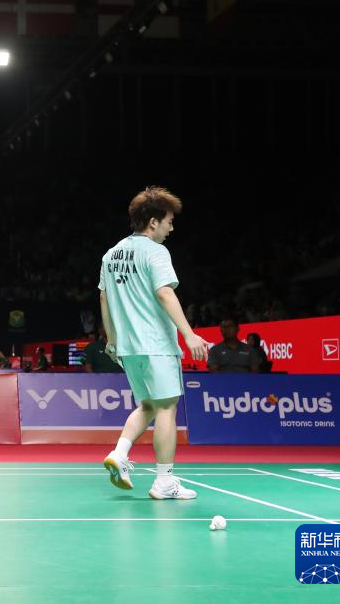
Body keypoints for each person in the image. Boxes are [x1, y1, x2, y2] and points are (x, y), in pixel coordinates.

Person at [99, 186, 209, 501]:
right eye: (169, 222)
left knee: (147, 405)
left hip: (128, 346)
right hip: (156, 344)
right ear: (152, 222)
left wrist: (112, 339)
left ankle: (119, 454)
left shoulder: (111, 254)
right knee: (166, 408)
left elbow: (104, 298)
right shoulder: (156, 252)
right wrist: (188, 333)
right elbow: (164, 292)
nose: (171, 228)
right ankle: (164, 482)